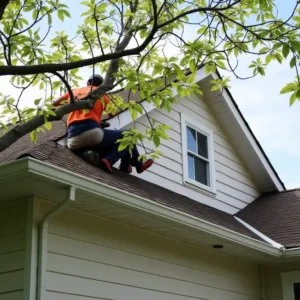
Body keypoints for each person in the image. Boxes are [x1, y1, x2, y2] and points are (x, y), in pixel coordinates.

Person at [53, 74, 153, 174]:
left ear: (88, 83)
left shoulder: (74, 91)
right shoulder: (102, 95)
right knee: (129, 136)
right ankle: (131, 164)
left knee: (120, 143)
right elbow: (112, 114)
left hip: (72, 141)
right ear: (101, 86)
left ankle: (124, 166)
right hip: (91, 133)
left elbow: (54, 104)